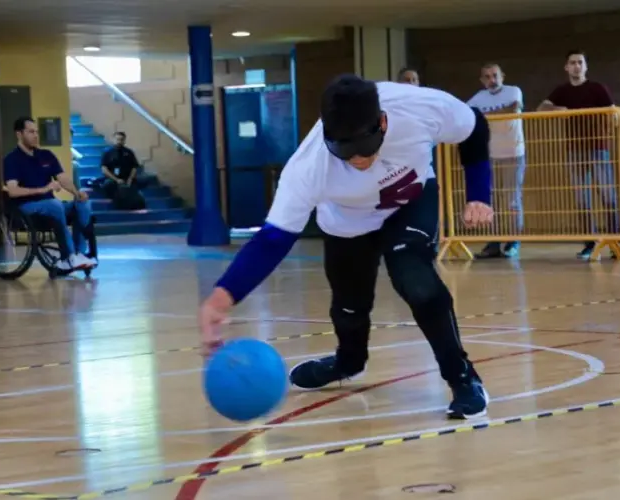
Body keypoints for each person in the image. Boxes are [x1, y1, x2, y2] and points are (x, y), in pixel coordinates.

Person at [199, 74, 495, 419]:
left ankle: (462, 378)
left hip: (409, 202)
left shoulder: (419, 107)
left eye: (364, 148)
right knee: (349, 306)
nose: (356, 160)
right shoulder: (307, 167)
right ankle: (348, 362)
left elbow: (476, 129)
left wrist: (479, 194)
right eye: (344, 150)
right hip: (347, 223)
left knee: (415, 279)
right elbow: (272, 240)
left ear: (383, 122)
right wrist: (221, 298)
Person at [538, 50, 620, 261]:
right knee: (582, 198)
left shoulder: (597, 88)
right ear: (566, 67)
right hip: (575, 151)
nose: (576, 66)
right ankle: (589, 243)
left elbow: (613, 112)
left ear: (586, 66)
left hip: (598, 148)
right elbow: (541, 109)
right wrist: (558, 109)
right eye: (572, 63)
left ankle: (614, 241)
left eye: (580, 62)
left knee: (607, 195)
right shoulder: (562, 91)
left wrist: (604, 128)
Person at [3, 117, 97, 271]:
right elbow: (12, 191)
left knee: (83, 204)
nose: (35, 135)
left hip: (51, 205)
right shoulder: (11, 159)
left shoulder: (46, 155)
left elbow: (62, 178)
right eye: (31, 132)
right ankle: (68, 256)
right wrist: (44, 189)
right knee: (55, 204)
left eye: (37, 132)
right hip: (26, 208)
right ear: (19, 134)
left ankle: (79, 253)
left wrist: (76, 193)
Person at [467, 63, 525, 259]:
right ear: (482, 80)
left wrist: (483, 116)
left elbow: (512, 108)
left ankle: (513, 241)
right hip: (489, 155)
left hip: (513, 153)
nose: (492, 80)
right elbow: (467, 115)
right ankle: (494, 242)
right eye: (487, 77)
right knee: (491, 201)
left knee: (512, 200)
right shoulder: (477, 98)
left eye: (495, 75)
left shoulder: (513, 91)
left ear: (503, 76)